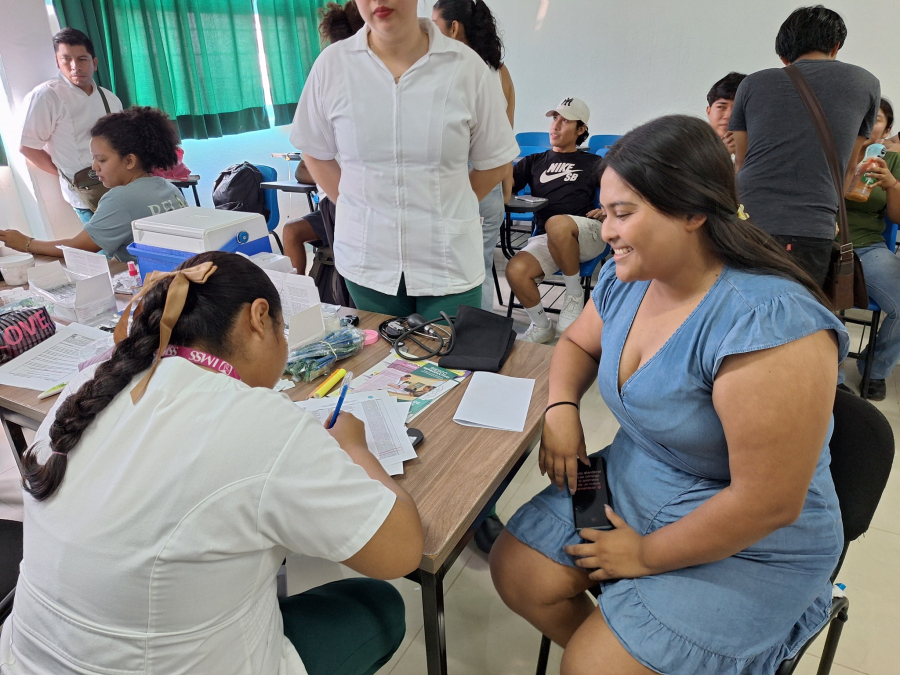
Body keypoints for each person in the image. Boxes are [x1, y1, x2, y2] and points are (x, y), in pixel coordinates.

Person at [490, 115, 848, 675]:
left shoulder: (766, 322)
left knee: (593, 665)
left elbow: (770, 502)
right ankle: (637, 645)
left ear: (692, 212)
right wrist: (562, 408)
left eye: (623, 214)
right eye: (604, 213)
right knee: (517, 570)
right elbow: (579, 346)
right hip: (642, 475)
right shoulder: (625, 278)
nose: (606, 231)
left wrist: (644, 555)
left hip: (751, 531)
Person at [0, 251, 424, 675]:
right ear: (259, 317)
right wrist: (355, 448)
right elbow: (400, 554)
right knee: (378, 606)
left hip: (26, 659)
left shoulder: (88, 387)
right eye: (283, 328)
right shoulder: (260, 421)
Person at [291, 0, 518, 320]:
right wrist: (356, 205)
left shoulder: (465, 66)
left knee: (446, 364)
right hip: (367, 260)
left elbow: (494, 159)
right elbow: (314, 149)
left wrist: (451, 205)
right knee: (379, 364)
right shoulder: (334, 64)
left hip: (446, 260)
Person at [730, 5, 880, 286]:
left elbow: (742, 161)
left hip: (749, 220)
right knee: (797, 315)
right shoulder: (865, 83)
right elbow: (847, 167)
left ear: (784, 54)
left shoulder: (752, 84)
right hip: (812, 225)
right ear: (836, 45)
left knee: (741, 307)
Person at [1, 107, 187, 262]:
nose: (94, 167)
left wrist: (27, 243)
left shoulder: (121, 199)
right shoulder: (168, 188)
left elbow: (79, 248)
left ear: (129, 161)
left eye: (102, 160)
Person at [432, 0, 516, 311]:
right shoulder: (499, 72)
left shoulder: (446, 72)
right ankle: (480, 345)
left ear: (454, 28)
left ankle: (456, 342)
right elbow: (504, 142)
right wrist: (503, 191)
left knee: (449, 273)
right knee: (479, 267)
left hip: (459, 179)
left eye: (434, 25)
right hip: (490, 184)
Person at [504, 98, 604, 343]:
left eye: (565, 120)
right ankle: (541, 325)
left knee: (557, 223)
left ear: (581, 130)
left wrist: (608, 209)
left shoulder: (594, 162)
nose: (555, 125)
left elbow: (624, 191)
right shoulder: (534, 161)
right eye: (554, 119)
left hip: (587, 233)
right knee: (516, 270)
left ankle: (573, 295)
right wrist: (500, 157)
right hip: (549, 237)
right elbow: (506, 187)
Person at [282, 1, 364, 274]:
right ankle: (300, 296)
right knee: (292, 231)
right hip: (341, 204)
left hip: (349, 205)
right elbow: (304, 168)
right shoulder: (330, 69)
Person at [19, 28, 123, 223]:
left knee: (132, 247)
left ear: (94, 63)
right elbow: (28, 147)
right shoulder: (47, 96)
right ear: (58, 62)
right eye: (66, 59)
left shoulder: (109, 98)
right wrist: (67, 176)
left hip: (118, 187)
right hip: (86, 192)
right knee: (103, 250)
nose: (75, 66)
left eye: (82, 59)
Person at [840, 98, 900, 400]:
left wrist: (893, 185)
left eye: (875, 118)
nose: (867, 123)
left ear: (886, 129)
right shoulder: (832, 150)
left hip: (867, 246)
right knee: (814, 299)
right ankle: (831, 373)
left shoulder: (893, 162)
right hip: (824, 242)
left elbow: (896, 218)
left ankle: (874, 368)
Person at [706, 71, 746, 155]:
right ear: (708, 111)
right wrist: (722, 155)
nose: (728, 116)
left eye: (738, 109)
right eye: (721, 107)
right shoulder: (689, 147)